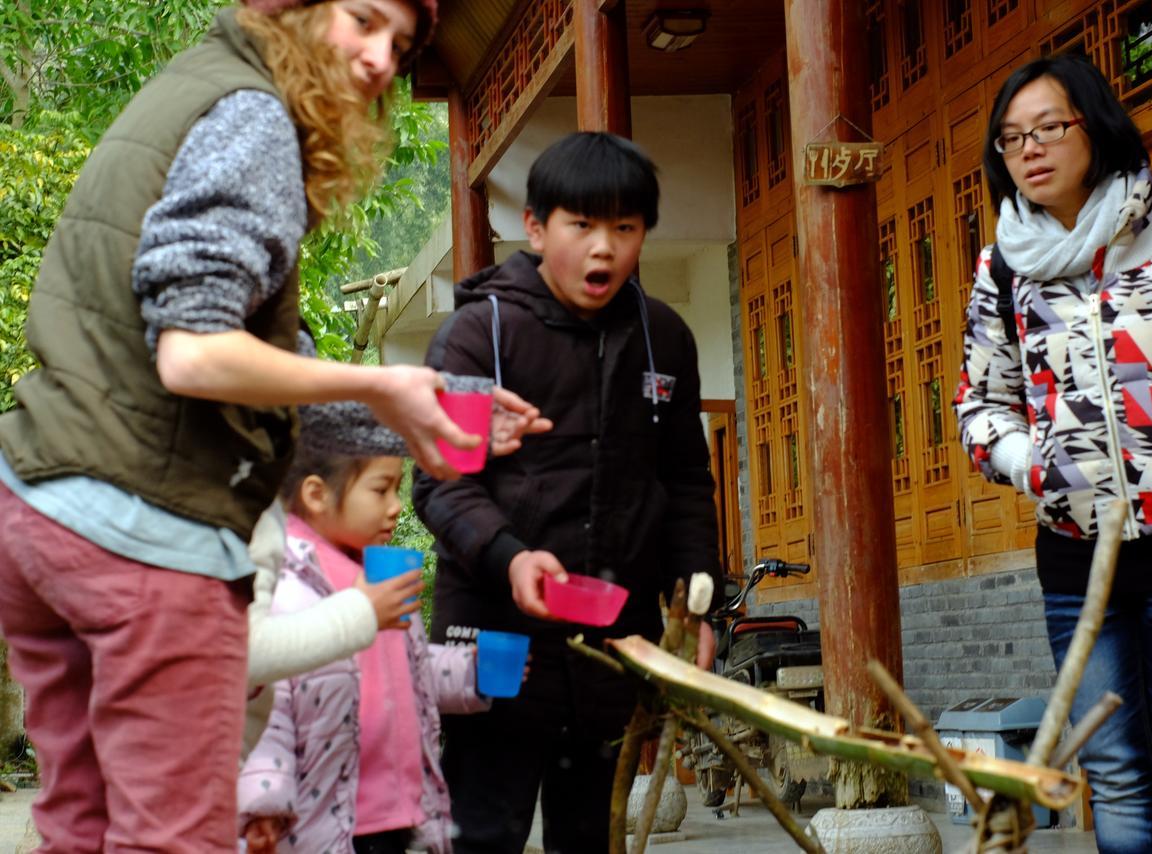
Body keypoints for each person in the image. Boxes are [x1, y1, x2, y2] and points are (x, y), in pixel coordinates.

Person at [0, 2, 543, 849]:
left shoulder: (194, 88)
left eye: (400, 48)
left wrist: (424, 396)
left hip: (42, 508)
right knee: (171, 836)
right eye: (363, 20)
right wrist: (381, 383)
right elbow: (193, 353)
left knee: (84, 823)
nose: (377, 59)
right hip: (141, 533)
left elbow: (253, 369)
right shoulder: (254, 116)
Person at [954, 54, 1152, 853]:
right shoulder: (1002, 267)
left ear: (1093, 125)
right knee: (1119, 772)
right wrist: (1030, 461)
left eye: (1048, 128)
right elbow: (978, 402)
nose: (1029, 150)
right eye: (1010, 139)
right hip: (1075, 563)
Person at [412, 131, 723, 853]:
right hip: (492, 635)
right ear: (536, 226)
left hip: (614, 641)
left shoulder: (664, 339)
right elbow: (440, 482)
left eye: (625, 227)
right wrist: (511, 557)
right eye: (581, 226)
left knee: (594, 836)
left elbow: (683, 482)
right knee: (480, 836)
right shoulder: (475, 337)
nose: (604, 250)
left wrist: (697, 602)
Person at [239, 404, 490, 854]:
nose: (396, 507)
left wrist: (474, 672)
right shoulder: (285, 582)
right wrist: (262, 799)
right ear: (316, 494)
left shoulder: (381, 572)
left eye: (398, 487)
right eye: (381, 489)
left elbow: (408, 667)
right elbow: (267, 703)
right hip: (324, 822)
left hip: (400, 813)